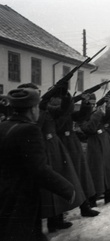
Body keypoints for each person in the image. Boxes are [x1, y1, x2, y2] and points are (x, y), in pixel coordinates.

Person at [0, 88, 75, 241]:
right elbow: (39, 168)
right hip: (22, 197)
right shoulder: (29, 129)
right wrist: (67, 189)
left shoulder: (4, 125)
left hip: (5, 191)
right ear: (33, 108)